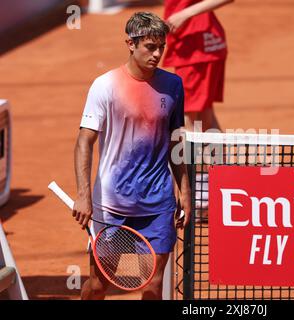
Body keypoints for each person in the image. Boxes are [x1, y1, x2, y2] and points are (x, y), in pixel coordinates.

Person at [72, 12, 191, 300]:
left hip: (158, 204)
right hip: (112, 204)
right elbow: (84, 142)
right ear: (130, 43)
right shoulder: (105, 85)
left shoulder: (173, 85)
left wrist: (185, 191)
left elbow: (176, 141)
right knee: (100, 285)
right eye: (150, 47)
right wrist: (84, 194)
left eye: (161, 46)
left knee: (152, 285)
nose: (157, 54)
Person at [163, 0, 233, 214]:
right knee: (204, 116)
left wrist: (185, 14)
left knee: (187, 121)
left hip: (197, 49)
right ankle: (225, 185)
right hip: (200, 46)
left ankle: (192, 194)